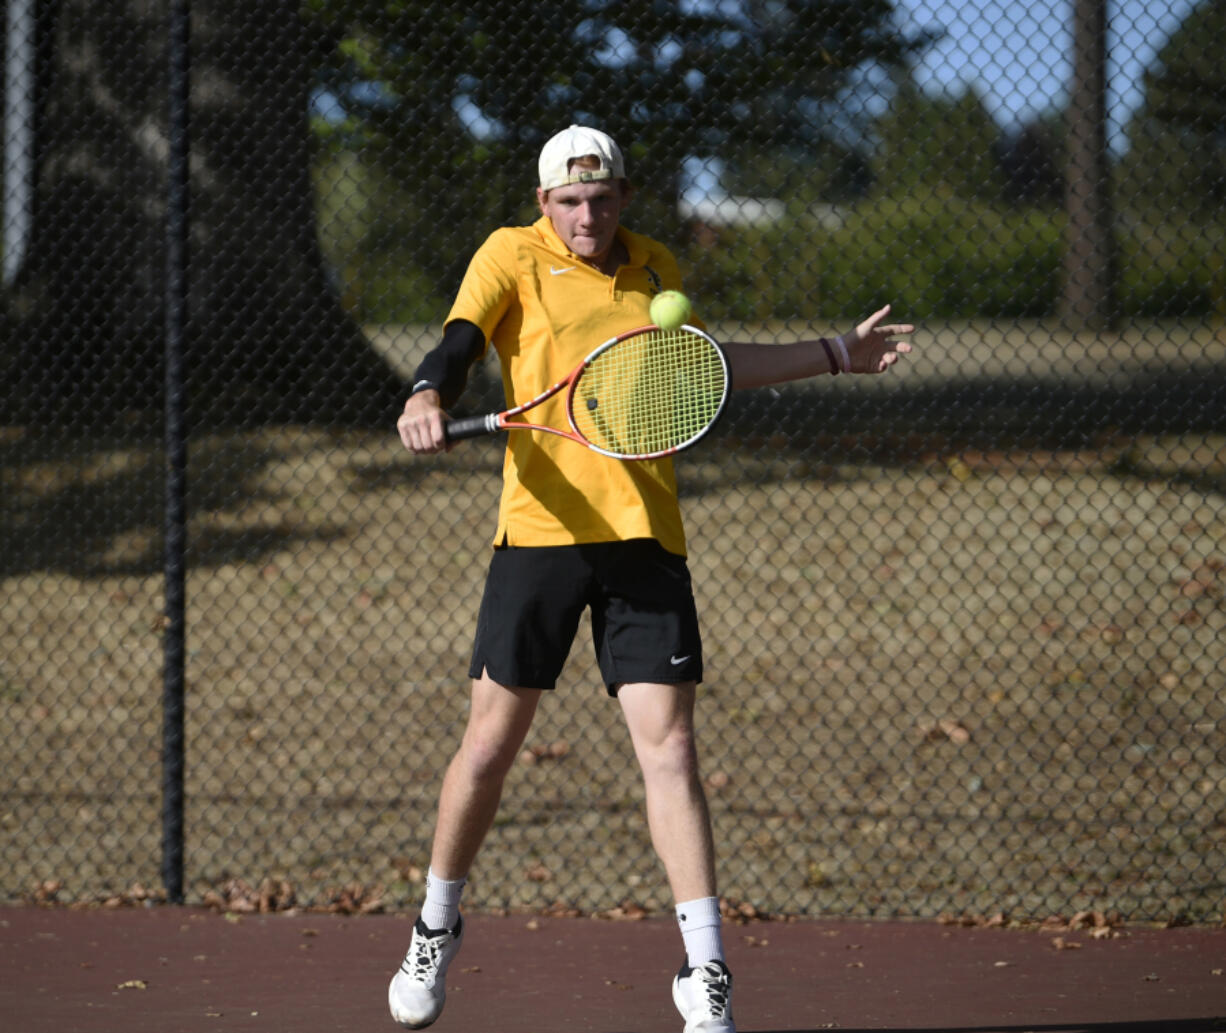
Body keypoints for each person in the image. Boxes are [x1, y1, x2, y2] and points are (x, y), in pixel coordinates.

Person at [390, 124, 913, 1033]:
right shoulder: (511, 256)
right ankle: (434, 926)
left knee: (670, 750)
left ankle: (703, 968)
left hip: (644, 538)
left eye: (601, 199)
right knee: (488, 747)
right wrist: (428, 391)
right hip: (541, 536)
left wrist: (834, 352)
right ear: (544, 202)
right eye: (569, 201)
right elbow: (461, 338)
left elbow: (708, 369)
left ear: (623, 197)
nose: (587, 215)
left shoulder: (657, 269)